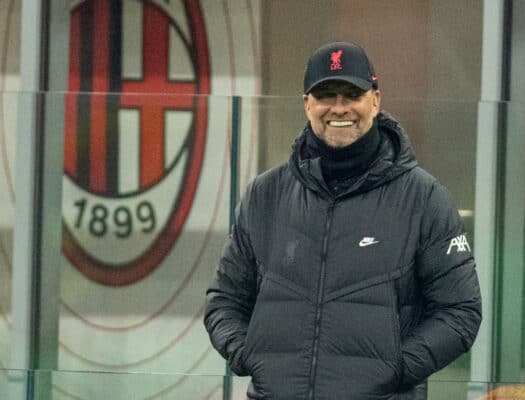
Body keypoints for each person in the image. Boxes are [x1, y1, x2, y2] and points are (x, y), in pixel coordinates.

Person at [204, 41, 482, 400]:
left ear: (376, 101)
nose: (339, 107)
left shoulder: (424, 199)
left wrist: (393, 368)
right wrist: (251, 357)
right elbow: (223, 301)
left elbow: (460, 312)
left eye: (352, 94)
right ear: (307, 104)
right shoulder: (265, 195)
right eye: (325, 95)